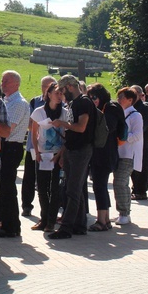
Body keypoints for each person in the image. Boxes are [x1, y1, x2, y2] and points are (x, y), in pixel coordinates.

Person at [48, 74, 94, 240]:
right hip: (73, 149)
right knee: (75, 189)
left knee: (73, 190)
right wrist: (64, 152)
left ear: (70, 87)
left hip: (81, 150)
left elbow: (81, 128)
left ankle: (66, 228)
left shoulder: (83, 102)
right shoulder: (75, 103)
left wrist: (62, 124)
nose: (62, 94)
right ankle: (79, 225)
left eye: (63, 90)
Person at [30, 82, 67, 232]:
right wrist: (37, 152)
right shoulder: (39, 112)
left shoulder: (65, 112)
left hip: (58, 154)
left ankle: (51, 221)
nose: (59, 96)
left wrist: (61, 154)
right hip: (43, 154)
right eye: (57, 93)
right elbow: (33, 133)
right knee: (42, 188)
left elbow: (68, 135)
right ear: (49, 94)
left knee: (55, 189)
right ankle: (43, 218)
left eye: (61, 93)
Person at [85, 83, 121, 231]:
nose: (92, 100)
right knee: (100, 186)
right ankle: (105, 219)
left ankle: (101, 220)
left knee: (99, 185)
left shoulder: (111, 108)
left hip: (105, 153)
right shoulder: (108, 107)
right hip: (101, 152)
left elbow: (108, 127)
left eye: (93, 97)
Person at [0, 70, 27, 238]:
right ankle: (4, 222)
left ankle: (11, 226)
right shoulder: (7, 100)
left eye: (6, 81)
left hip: (11, 147)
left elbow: (8, 130)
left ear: (16, 84)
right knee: (3, 187)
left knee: (7, 187)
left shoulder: (17, 103)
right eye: (2, 80)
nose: (3, 84)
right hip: (6, 147)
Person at [113, 87, 144, 225]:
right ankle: (122, 212)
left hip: (129, 154)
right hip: (118, 153)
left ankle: (124, 213)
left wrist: (122, 137)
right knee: (118, 183)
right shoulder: (120, 113)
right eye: (118, 97)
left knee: (121, 183)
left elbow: (137, 135)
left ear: (130, 100)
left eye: (122, 97)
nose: (119, 100)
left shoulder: (135, 115)